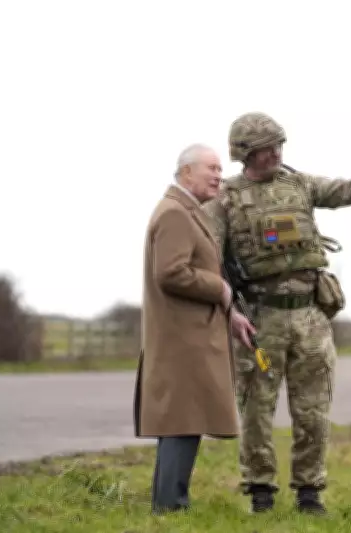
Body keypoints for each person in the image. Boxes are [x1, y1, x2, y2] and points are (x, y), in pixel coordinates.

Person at [202, 112, 351, 515]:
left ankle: (309, 494)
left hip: (311, 317)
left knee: (313, 409)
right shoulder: (224, 199)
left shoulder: (300, 185)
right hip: (258, 319)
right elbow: (210, 261)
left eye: (279, 145)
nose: (276, 153)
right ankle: (260, 493)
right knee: (257, 409)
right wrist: (229, 312)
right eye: (266, 149)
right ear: (245, 153)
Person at [133, 143, 256, 514]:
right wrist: (219, 287)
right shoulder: (175, 213)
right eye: (212, 168)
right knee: (180, 423)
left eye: (221, 169)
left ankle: (169, 505)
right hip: (181, 340)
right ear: (186, 172)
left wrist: (229, 311)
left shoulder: (188, 211)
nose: (220, 175)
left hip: (190, 336)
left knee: (183, 423)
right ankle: (170, 507)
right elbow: (171, 273)